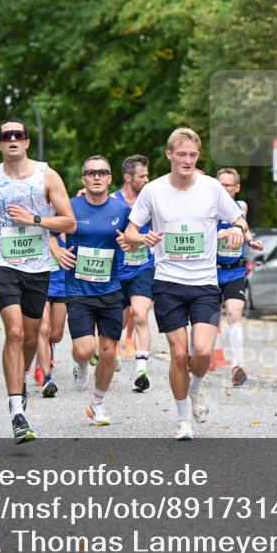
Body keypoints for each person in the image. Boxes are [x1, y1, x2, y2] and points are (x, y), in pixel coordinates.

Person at [121, 128, 248, 440]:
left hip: (205, 283)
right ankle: (183, 421)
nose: (188, 160)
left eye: (193, 155)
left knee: (202, 352)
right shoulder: (153, 191)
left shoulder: (212, 188)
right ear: (169, 155)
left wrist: (237, 231)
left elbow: (239, 220)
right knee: (179, 355)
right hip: (168, 283)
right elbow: (130, 232)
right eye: (182, 154)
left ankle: (196, 386)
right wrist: (143, 237)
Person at [0, 118, 76, 444]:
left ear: (27, 142)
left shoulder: (47, 175)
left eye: (18, 135)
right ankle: (17, 411)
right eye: (5, 136)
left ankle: (22, 383)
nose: (12, 140)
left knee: (30, 338)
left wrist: (36, 219)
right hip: (1, 263)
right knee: (13, 331)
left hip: (38, 265)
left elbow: (69, 222)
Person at [60, 156, 131, 425]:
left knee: (109, 352)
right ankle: (80, 365)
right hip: (78, 288)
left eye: (102, 172)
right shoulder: (70, 206)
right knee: (84, 350)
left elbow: (134, 237)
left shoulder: (122, 210)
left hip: (111, 289)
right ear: (84, 179)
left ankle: (97, 403)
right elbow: (53, 234)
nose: (97, 177)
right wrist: (58, 251)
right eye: (91, 173)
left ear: (110, 178)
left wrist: (131, 243)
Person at [110, 155, 156, 393]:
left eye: (147, 175)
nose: (147, 180)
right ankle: (109, 351)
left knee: (140, 314)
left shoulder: (151, 200)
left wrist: (140, 242)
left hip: (142, 268)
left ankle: (141, 371)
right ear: (128, 178)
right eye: (142, 176)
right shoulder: (112, 202)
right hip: (116, 271)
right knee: (113, 321)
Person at [215, 168, 263, 387]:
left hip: (235, 270)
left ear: (237, 188)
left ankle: (237, 366)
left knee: (235, 314)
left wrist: (251, 241)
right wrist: (221, 235)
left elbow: (244, 228)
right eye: (220, 185)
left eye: (228, 185)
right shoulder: (208, 208)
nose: (224, 189)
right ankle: (196, 356)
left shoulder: (241, 206)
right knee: (205, 319)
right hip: (210, 271)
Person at [35, 229, 71, 397]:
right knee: (43, 329)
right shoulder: (38, 223)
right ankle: (46, 376)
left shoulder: (65, 225)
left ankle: (43, 356)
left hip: (61, 285)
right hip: (39, 284)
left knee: (56, 335)